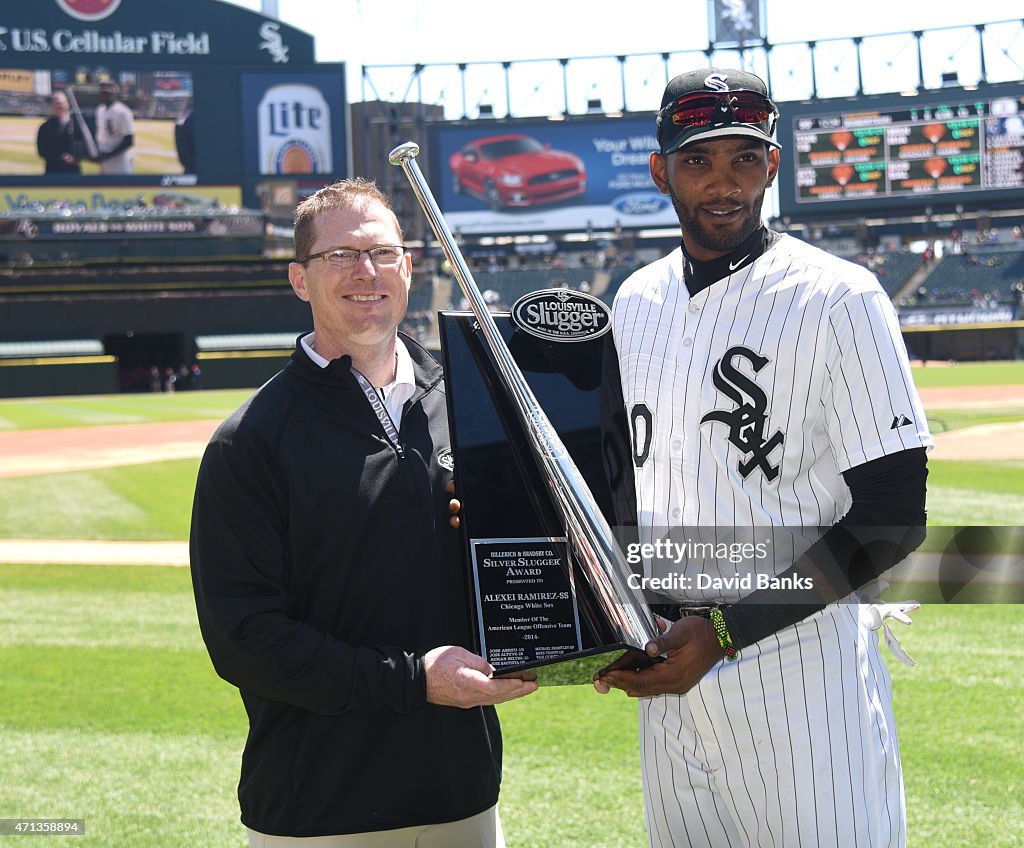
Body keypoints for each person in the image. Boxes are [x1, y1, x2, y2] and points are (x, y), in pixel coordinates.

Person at [594, 68, 932, 847]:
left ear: (773, 166)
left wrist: (724, 629)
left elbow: (891, 521)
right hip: (669, 663)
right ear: (660, 170)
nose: (725, 183)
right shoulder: (635, 301)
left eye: (746, 159)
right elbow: (616, 488)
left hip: (799, 669)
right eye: (699, 160)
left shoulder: (839, 298)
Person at [190, 177, 536, 847]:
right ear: (299, 278)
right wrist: (415, 681)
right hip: (320, 809)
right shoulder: (251, 441)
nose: (366, 271)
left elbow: (525, 564)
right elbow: (245, 640)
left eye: (382, 252)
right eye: (340, 255)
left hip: (460, 795)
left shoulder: (475, 403)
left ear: (408, 267)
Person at [93, 81, 134, 174]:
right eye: (103, 93)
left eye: (108, 93)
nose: (105, 95)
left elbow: (129, 140)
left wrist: (108, 155)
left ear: (115, 93)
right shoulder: (100, 110)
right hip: (104, 159)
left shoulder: (123, 112)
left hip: (120, 161)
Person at [36, 91, 80, 175]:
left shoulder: (77, 125)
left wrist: (77, 157)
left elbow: (83, 145)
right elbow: (41, 150)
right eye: (56, 103)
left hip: (73, 170)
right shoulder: (45, 127)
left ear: (67, 104)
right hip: (53, 170)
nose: (59, 105)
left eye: (61, 103)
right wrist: (60, 158)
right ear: (52, 105)